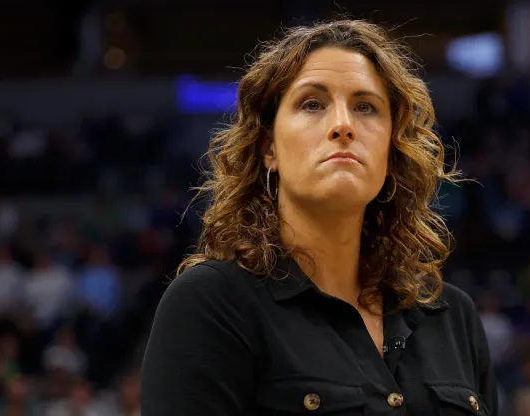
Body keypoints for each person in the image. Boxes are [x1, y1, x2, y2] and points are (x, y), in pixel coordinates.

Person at [141, 19, 499, 415]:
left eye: (366, 107)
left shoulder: (453, 316)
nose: (344, 125)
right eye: (312, 104)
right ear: (268, 149)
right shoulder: (213, 304)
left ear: (391, 149)